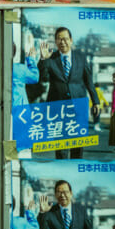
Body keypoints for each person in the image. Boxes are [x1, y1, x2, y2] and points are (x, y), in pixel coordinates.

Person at [37, 27, 100, 159]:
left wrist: (96, 102)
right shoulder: (51, 58)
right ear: (55, 41)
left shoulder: (81, 58)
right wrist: (43, 60)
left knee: (78, 148)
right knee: (61, 149)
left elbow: (89, 82)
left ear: (71, 40)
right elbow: (43, 79)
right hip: (58, 109)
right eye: (59, 39)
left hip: (78, 106)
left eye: (65, 39)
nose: (62, 42)